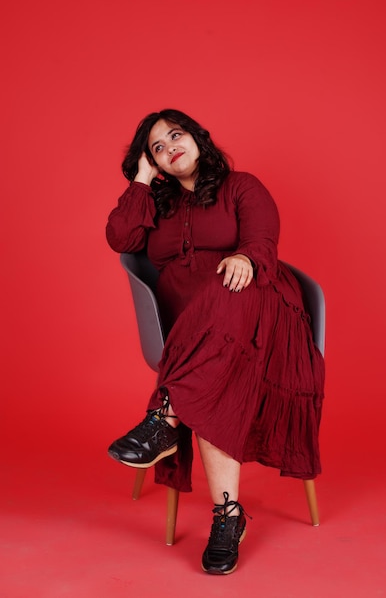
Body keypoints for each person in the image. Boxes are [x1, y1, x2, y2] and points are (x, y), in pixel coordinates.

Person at [106, 109, 325, 575]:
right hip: (194, 333)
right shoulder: (158, 204)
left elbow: (264, 238)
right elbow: (120, 237)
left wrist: (245, 256)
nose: (169, 149)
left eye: (175, 136)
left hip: (260, 313)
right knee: (212, 377)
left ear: (198, 138)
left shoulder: (242, 186)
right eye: (157, 148)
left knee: (228, 290)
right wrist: (142, 180)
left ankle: (165, 416)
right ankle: (229, 516)